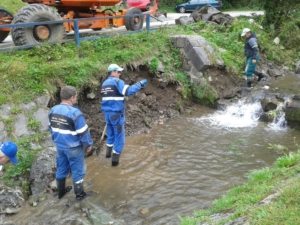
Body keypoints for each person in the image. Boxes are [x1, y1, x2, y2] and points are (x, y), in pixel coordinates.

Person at [48, 86, 93, 200]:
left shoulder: (53, 110)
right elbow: (83, 133)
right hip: (73, 147)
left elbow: (51, 128)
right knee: (78, 170)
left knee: (61, 168)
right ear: (72, 97)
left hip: (60, 146)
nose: (76, 98)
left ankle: (61, 193)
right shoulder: (75, 113)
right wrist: (88, 145)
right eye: (76, 96)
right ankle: (80, 195)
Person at [101, 64, 148, 166]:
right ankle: (114, 163)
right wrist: (140, 84)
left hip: (107, 114)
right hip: (116, 114)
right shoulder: (117, 81)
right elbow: (128, 91)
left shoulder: (104, 83)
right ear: (113, 72)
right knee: (119, 138)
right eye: (118, 72)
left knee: (111, 135)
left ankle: (107, 156)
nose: (120, 73)